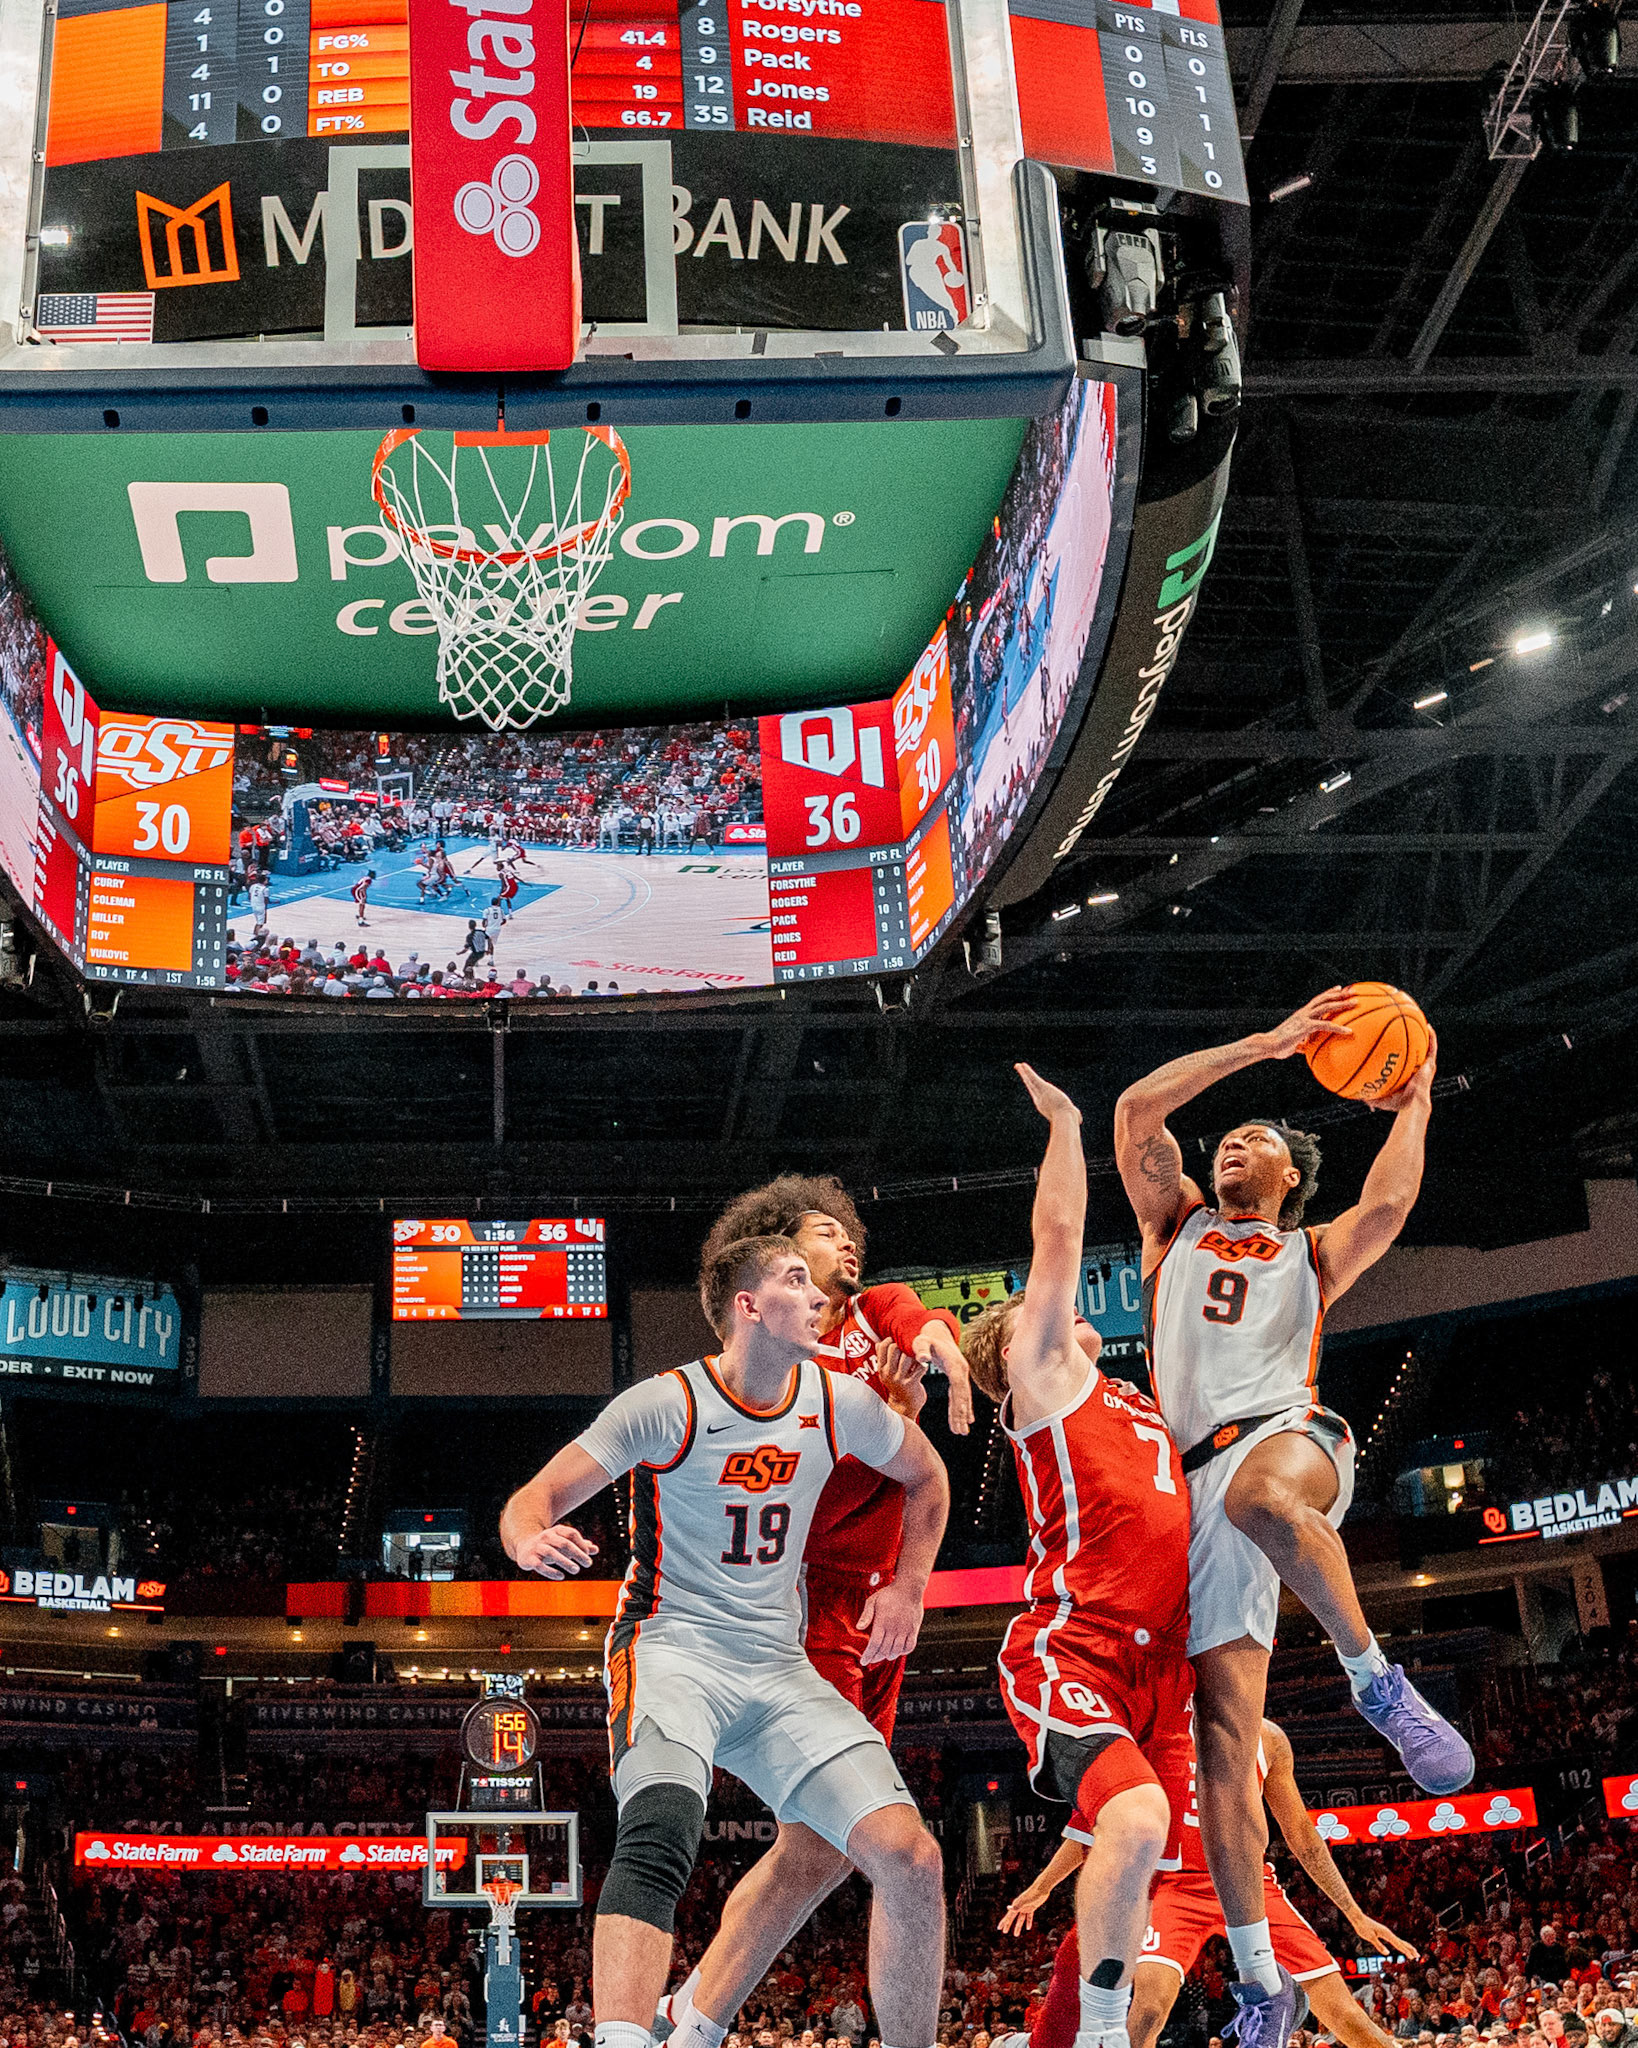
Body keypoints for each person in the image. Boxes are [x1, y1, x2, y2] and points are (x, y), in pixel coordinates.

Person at [1112, 991, 1472, 2036]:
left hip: (1289, 1434)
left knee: (1269, 1493)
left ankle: (1376, 1681)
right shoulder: (1171, 1225)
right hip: (1191, 1495)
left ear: (1290, 1178)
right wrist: (1261, 1044)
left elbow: (1393, 1208)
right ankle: (1265, 1980)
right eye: (1226, 1137)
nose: (1232, 1143)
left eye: (1256, 1139)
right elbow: (1138, 1111)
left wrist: (1413, 1101)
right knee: (1222, 1746)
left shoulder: (1312, 1255)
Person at [499, 1231, 951, 2048]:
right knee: (663, 1825)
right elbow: (535, 1497)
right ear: (747, 1307)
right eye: (793, 1281)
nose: (816, 1296)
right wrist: (530, 1538)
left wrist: (910, 1585)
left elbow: (928, 1475)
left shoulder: (837, 1402)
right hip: (675, 1651)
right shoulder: (667, 1405)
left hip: (780, 1668)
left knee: (913, 1861)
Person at [658, 1178, 974, 2048]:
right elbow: (797, 1502)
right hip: (799, 1607)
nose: (847, 1247)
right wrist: (882, 1417)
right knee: (889, 1851)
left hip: (877, 1608)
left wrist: (943, 1377)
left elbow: (928, 1329)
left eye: (849, 1236)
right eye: (822, 1235)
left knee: (817, 1848)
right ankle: (700, 2016)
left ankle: (691, 2018)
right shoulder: (772, 1361)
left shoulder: (873, 1311)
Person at [957, 1066, 1193, 2048]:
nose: (1045, 1303)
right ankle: (1095, 2030)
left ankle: (1051, 2034)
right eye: (1028, 1309)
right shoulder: (1042, 1378)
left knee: (1133, 1860)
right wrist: (1067, 1122)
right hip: (1075, 1648)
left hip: (1162, 1666)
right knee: (1136, 1826)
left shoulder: (1141, 1399)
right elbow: (1056, 1240)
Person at [996, 1717, 1417, 2048]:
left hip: (1249, 1883)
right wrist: (1043, 1885)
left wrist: (1355, 1914)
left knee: (1350, 2019)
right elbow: (1099, 1823)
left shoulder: (1267, 1739)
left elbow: (1303, 1837)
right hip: (1174, 1886)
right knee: (1147, 2011)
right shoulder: (1155, 1730)